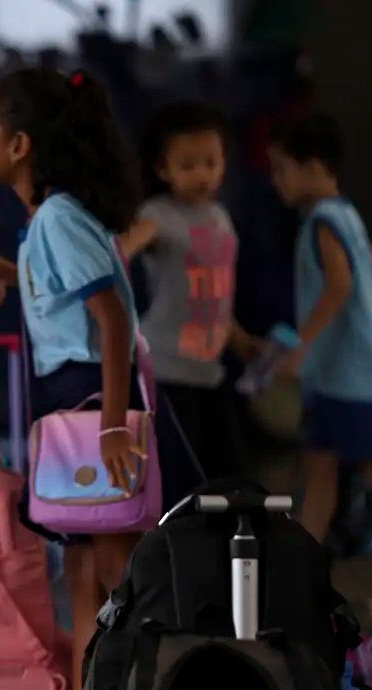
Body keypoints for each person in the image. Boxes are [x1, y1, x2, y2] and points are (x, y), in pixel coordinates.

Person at [0, 68, 146, 690]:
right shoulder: (47, 221)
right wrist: (7, 270)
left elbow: (112, 321)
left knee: (114, 567)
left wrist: (114, 425)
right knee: (81, 568)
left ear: (19, 146)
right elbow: (63, 299)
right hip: (70, 399)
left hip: (91, 400)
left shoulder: (58, 218)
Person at [120, 101, 248, 493]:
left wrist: (242, 341)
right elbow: (123, 249)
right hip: (167, 373)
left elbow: (215, 295)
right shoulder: (158, 215)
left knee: (227, 474)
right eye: (188, 165)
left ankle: (222, 534)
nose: (202, 175)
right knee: (181, 481)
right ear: (163, 170)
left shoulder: (220, 217)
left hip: (211, 372)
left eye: (211, 163)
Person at [269, 113, 372, 541]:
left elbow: (340, 284)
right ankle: (304, 556)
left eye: (281, 169)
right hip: (333, 376)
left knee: (358, 465)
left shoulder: (323, 220)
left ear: (311, 166)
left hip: (348, 375)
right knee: (320, 467)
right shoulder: (345, 213)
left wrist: (301, 346)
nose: (275, 180)